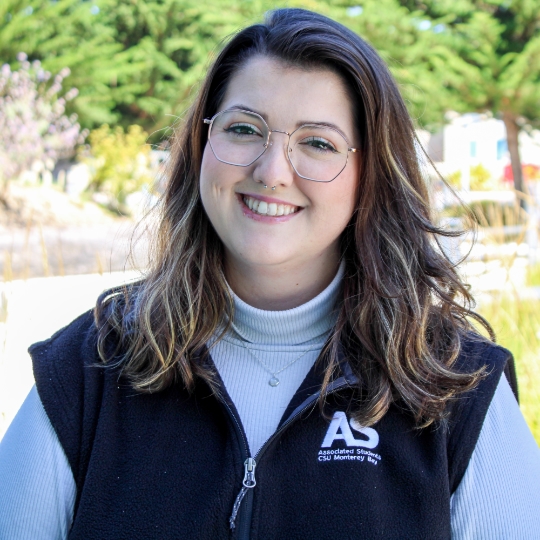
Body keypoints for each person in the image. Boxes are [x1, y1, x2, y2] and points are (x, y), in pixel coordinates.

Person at [1, 8, 539, 540]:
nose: (271, 171)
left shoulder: (459, 390)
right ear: (202, 145)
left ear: (369, 173)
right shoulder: (87, 368)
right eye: (243, 129)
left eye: (318, 142)